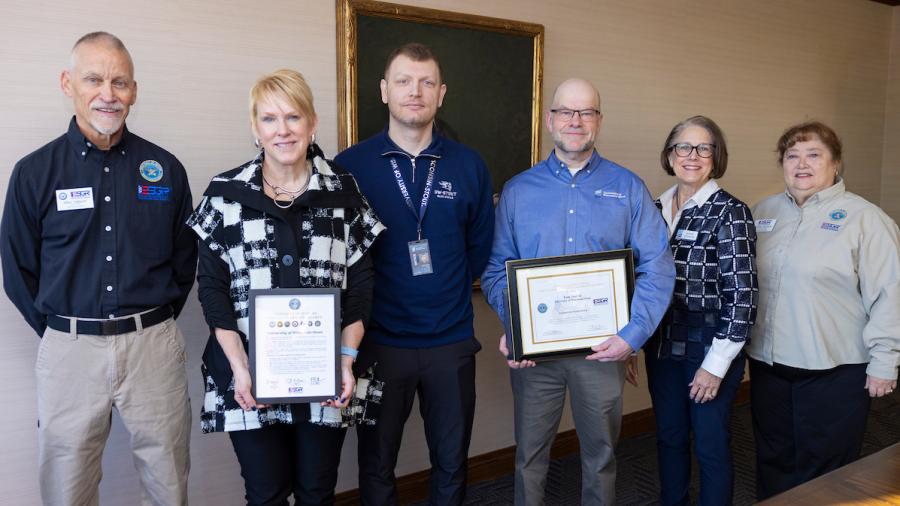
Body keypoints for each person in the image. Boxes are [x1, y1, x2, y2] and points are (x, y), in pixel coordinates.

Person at [0, 32, 196, 505]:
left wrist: (151, 323)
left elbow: (184, 259)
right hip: (69, 349)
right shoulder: (34, 172)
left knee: (168, 481)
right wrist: (61, 330)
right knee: (67, 488)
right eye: (94, 79)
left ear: (134, 91)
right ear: (68, 83)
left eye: (120, 82)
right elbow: (16, 268)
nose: (108, 94)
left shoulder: (164, 169)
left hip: (153, 344)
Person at [186, 69, 384, 505]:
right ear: (255, 129)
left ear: (312, 124)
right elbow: (213, 290)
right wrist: (239, 367)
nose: (283, 130)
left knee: (317, 491)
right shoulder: (225, 195)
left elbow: (361, 283)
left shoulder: (343, 191)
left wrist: (346, 360)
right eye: (270, 119)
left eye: (294, 117)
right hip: (249, 376)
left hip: (326, 373)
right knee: (265, 493)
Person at [481, 78, 675, 505]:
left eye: (586, 112)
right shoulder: (517, 191)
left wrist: (632, 335)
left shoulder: (627, 188)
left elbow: (658, 266)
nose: (575, 121)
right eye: (566, 112)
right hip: (536, 355)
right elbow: (496, 269)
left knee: (601, 456)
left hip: (603, 351)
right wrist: (517, 323)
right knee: (529, 456)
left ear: (598, 122)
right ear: (551, 120)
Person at [334, 43, 494, 505]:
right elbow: (339, 257)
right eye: (403, 81)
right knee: (376, 464)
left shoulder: (469, 165)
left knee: (451, 461)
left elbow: (480, 247)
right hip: (379, 343)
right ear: (384, 91)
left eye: (426, 83)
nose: (415, 92)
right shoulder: (350, 167)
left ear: (441, 93)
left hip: (451, 342)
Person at [747, 121, 900, 499]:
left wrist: (885, 361)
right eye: (792, 155)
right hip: (769, 366)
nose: (802, 164)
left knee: (828, 470)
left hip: (835, 371)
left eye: (814, 155)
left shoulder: (866, 219)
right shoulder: (762, 212)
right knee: (773, 458)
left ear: (836, 164)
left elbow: (890, 294)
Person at [645, 116, 757, 505]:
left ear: (715, 156)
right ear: (669, 154)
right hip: (661, 346)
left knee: (710, 445)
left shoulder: (731, 212)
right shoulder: (654, 207)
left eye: (703, 148)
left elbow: (743, 295)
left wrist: (716, 364)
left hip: (710, 349)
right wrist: (630, 338)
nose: (692, 156)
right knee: (669, 438)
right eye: (683, 147)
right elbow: (638, 280)